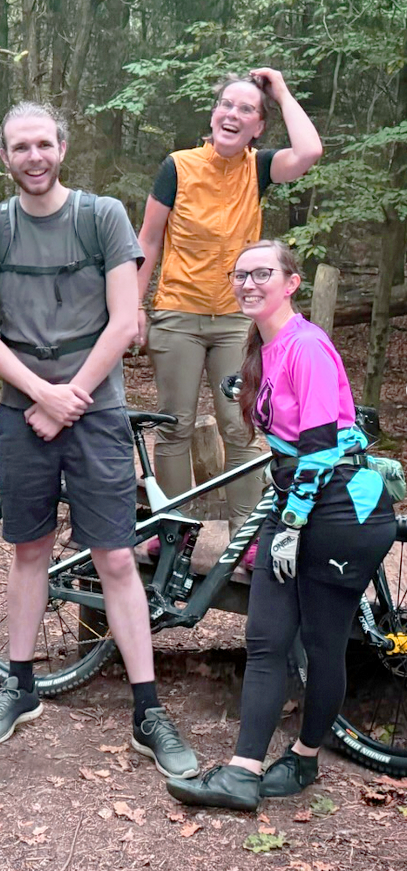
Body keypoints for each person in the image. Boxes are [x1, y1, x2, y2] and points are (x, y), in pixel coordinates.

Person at [0, 101, 198, 779]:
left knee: (116, 557)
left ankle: (147, 711)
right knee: (29, 548)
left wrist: (68, 401)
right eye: (19, 147)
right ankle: (20, 683)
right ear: (4, 157)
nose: (33, 157)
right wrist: (41, 395)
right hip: (23, 411)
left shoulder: (103, 217)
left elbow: (126, 321)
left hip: (95, 412)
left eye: (43, 144)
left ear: (61, 147)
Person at [165, 241, 397, 811]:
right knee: (266, 640)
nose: (248, 283)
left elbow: (319, 447)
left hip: (339, 509)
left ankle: (305, 756)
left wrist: (291, 522)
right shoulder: (262, 347)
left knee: (322, 648)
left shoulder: (307, 345)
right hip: (295, 502)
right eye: (239, 274)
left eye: (261, 273)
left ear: (290, 283)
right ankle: (242, 773)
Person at [136, 69, 323, 558]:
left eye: (246, 109)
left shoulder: (258, 167)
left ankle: (248, 539)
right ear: (213, 113)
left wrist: (279, 90)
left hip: (238, 320)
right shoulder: (177, 166)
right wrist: (133, 307)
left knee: (239, 426)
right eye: (226, 105)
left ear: (259, 126)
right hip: (176, 314)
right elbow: (148, 241)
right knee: (174, 425)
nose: (232, 114)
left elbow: (309, 153)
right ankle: (173, 532)